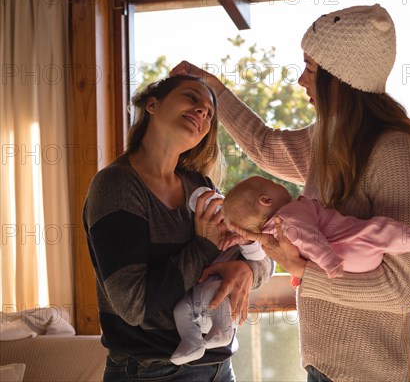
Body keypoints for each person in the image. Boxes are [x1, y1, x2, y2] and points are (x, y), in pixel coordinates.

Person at [172, 3, 410, 381]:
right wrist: (215, 89)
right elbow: (264, 144)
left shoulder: (392, 152)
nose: (301, 80)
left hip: (367, 373)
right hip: (322, 366)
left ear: (342, 80)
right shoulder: (327, 141)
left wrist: (299, 269)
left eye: (311, 70)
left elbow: (400, 288)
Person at [83, 75, 273, 381]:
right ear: (153, 105)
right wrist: (203, 248)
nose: (202, 111)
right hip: (154, 371)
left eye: (210, 113)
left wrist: (246, 271)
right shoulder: (116, 185)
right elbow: (134, 305)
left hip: (221, 368)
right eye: (191, 98)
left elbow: (264, 257)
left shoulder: (201, 186)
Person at [222, 175, 410, 279]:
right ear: (266, 200)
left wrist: (243, 237)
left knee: (384, 242)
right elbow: (309, 239)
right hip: (346, 247)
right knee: (380, 231)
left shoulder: (272, 234)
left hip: (355, 265)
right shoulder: (288, 216)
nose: (279, 185)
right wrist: (328, 260)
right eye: (272, 184)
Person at [170, 187, 265, 366]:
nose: (225, 225)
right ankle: (191, 341)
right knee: (179, 310)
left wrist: (246, 238)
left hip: (223, 301)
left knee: (214, 293)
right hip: (196, 298)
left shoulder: (243, 237)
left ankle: (223, 331)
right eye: (219, 217)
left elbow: (261, 256)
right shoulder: (204, 232)